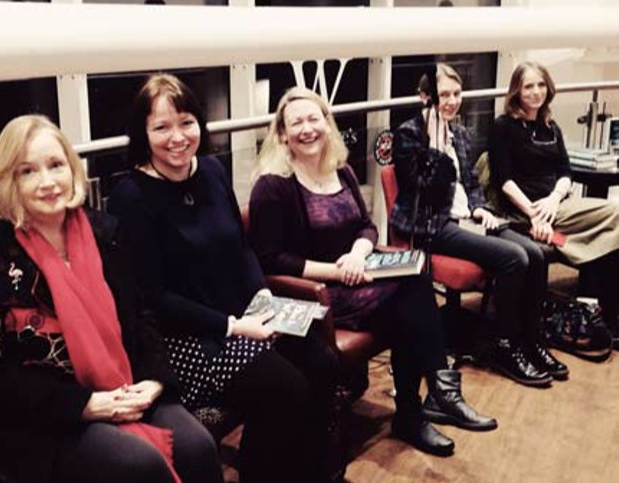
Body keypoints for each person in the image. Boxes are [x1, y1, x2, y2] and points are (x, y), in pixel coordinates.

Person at [0, 115, 223, 483]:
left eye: (56, 165)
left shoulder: (105, 232)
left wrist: (154, 380)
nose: (47, 182)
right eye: (27, 171)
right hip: (34, 420)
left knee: (197, 446)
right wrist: (85, 405)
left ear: (72, 169)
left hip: (122, 386)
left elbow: (142, 316)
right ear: (6, 181)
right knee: (137, 465)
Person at [108, 73, 339, 483]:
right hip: (186, 338)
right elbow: (152, 295)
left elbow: (241, 248)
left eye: (186, 122)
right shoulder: (132, 195)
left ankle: (316, 472)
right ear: (142, 134)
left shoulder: (212, 170)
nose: (177, 137)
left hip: (244, 316)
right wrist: (234, 326)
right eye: (161, 127)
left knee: (321, 361)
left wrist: (264, 300)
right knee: (284, 388)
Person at [249, 86, 497, 459]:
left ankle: (426, 403)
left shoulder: (342, 171)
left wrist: (357, 253)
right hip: (315, 293)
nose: (307, 129)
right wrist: (336, 271)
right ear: (282, 134)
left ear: (327, 123)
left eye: (314, 118)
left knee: (414, 282)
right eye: (295, 122)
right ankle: (430, 400)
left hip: (356, 275)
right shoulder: (273, 186)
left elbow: (367, 227)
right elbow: (269, 259)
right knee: (411, 302)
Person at [390, 63, 566, 387]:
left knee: (537, 253)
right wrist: (435, 142)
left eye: (457, 94)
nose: (452, 102)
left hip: (466, 218)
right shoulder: (408, 135)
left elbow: (470, 181)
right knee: (515, 258)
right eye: (444, 95)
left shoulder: (459, 132)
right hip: (433, 225)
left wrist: (479, 208)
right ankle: (504, 345)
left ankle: (532, 340)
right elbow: (419, 187)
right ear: (424, 97)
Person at [489, 61, 619, 346]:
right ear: (516, 91)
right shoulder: (504, 126)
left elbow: (565, 173)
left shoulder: (551, 126)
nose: (536, 92)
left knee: (616, 214)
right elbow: (504, 180)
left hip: (556, 204)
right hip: (524, 209)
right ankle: (591, 297)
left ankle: (606, 316)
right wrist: (534, 212)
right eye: (528, 86)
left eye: (540, 85)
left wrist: (553, 199)